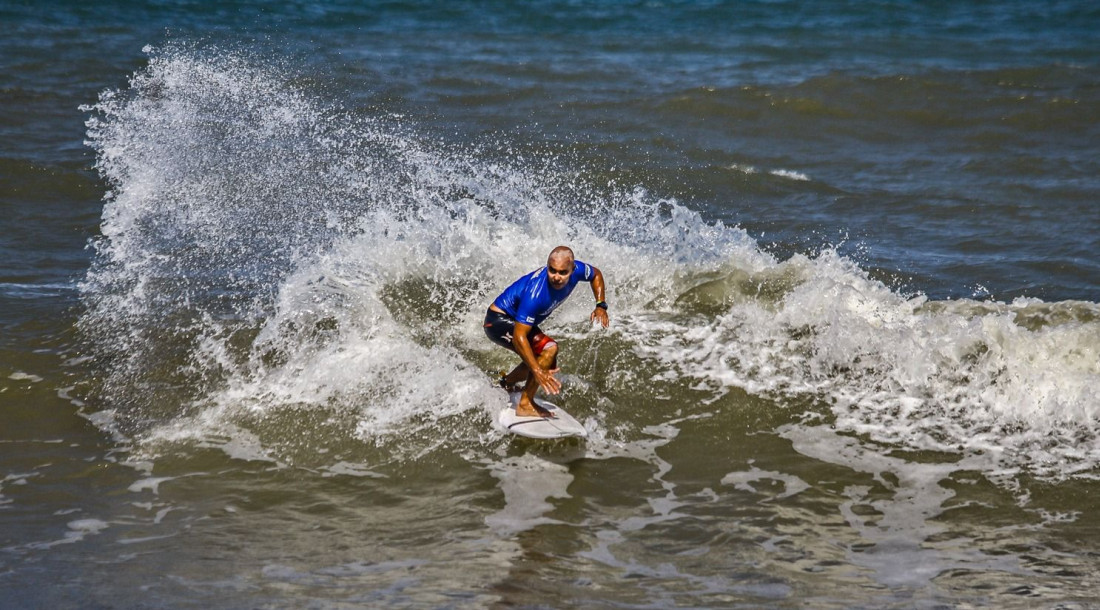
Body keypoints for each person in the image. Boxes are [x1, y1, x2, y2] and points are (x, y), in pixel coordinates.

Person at [484, 246, 609, 417]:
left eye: (563, 272)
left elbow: (596, 274)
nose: (556, 277)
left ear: (573, 270)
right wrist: (537, 371)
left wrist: (600, 305)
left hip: (513, 322)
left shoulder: (579, 269)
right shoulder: (535, 294)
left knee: (544, 360)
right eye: (552, 271)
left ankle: (507, 383)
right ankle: (525, 404)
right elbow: (519, 337)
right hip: (498, 321)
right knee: (548, 350)